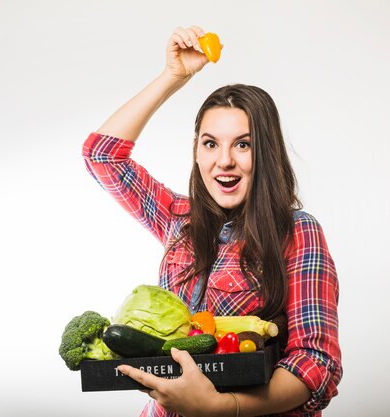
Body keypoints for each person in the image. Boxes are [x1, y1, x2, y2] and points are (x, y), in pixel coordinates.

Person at [81, 26, 342, 417]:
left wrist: (221, 407)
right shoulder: (178, 219)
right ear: (197, 151)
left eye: (243, 144)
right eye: (210, 143)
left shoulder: (298, 233)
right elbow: (102, 155)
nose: (224, 161)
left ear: (266, 154)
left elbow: (316, 364)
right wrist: (174, 77)